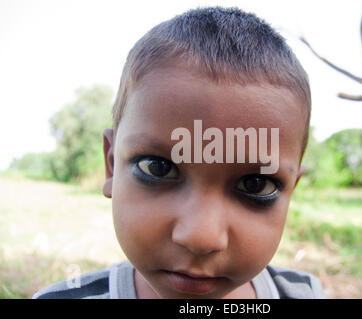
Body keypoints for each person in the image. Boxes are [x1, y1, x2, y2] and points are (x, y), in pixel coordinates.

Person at [33, 6, 325, 299]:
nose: (200, 237)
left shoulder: (302, 293)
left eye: (256, 185)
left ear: (290, 192)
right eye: (158, 168)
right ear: (111, 164)